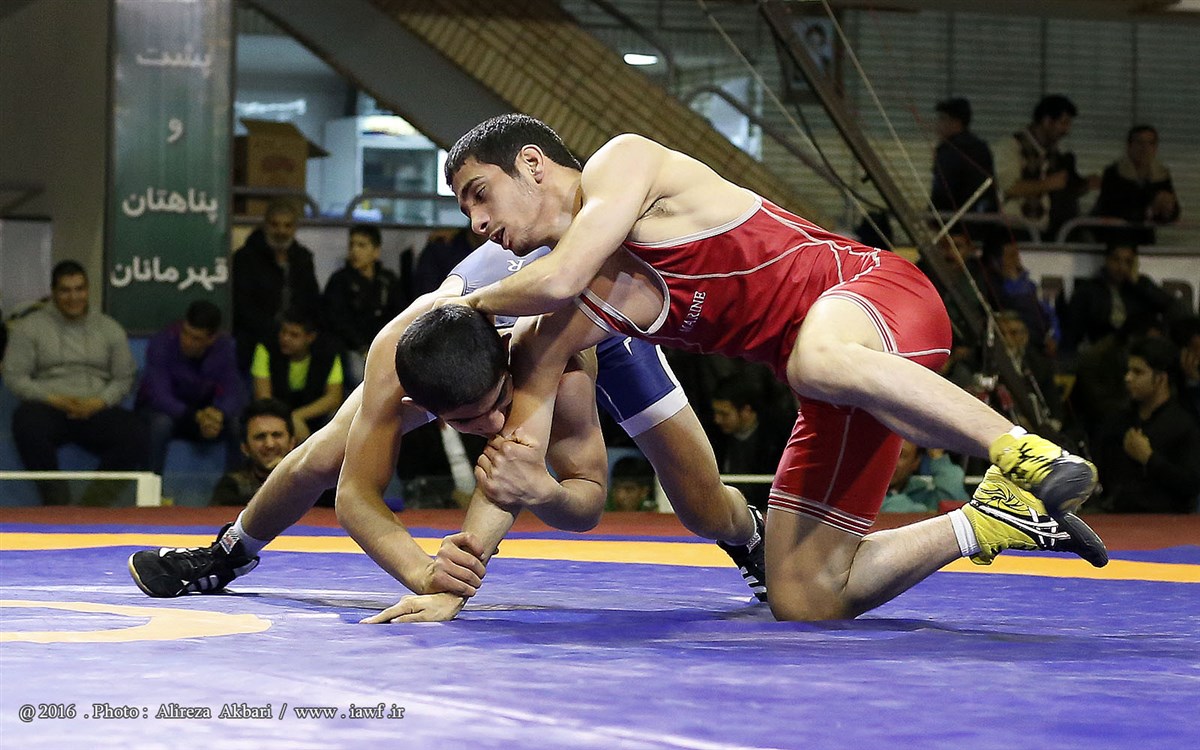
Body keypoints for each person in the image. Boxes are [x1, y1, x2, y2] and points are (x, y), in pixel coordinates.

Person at [421, 113, 1106, 623]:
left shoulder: (623, 162)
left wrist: (463, 304)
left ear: (533, 163)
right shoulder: (561, 323)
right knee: (804, 597)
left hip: (878, 296)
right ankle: (992, 518)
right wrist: (454, 587)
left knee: (814, 359)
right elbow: (516, 459)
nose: (476, 223)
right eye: (464, 209)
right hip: (835, 384)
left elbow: (562, 273)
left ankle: (1025, 452)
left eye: (480, 194)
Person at [129, 240, 767, 610]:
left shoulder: (548, 352)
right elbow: (353, 494)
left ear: (505, 367)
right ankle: (229, 552)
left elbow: (588, 501)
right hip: (465, 340)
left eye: (498, 403)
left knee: (701, 504)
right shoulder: (396, 351)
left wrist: (541, 494)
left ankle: (750, 536)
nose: (493, 424)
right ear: (422, 403)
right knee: (323, 455)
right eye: (467, 420)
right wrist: (422, 573)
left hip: (601, 329)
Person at [1, 261, 148, 505]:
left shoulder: (109, 328)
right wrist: (54, 399)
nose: (73, 297)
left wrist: (99, 402)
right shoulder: (29, 328)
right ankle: (57, 503)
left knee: (136, 432)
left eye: (79, 289)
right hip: (50, 406)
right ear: (53, 292)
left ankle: (93, 507)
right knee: (26, 422)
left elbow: (124, 377)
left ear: (88, 290)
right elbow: (15, 377)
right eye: (65, 290)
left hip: (95, 408)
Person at [136, 300, 247, 474]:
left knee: (236, 424)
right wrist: (197, 416)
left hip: (205, 414)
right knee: (161, 424)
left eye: (196, 338)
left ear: (211, 339)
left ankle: (235, 484)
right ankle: (151, 485)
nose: (187, 341)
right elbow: (160, 396)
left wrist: (218, 414)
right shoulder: (162, 343)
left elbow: (233, 391)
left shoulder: (224, 348)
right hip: (164, 411)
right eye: (185, 333)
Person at [1094, 336, 1200, 513]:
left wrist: (1149, 459)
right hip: (1116, 516)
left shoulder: (1183, 424)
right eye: (1129, 371)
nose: (1128, 378)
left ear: (1160, 378)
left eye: (1138, 372)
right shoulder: (1118, 420)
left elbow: (1191, 484)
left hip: (1166, 518)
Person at [993, 94, 1099, 240]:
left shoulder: (1055, 154)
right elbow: (1008, 187)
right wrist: (1047, 184)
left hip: (1048, 233)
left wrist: (1084, 185)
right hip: (1015, 231)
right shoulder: (1011, 146)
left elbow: (1061, 190)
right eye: (1063, 123)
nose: (1066, 130)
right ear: (1047, 121)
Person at [232, 199, 321, 370]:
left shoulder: (303, 258)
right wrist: (276, 331)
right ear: (265, 225)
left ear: (294, 228)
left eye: (287, 226)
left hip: (297, 331)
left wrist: (300, 330)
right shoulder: (246, 257)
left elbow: (311, 299)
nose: (281, 231)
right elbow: (242, 305)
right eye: (275, 225)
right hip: (257, 332)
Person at [321, 224, 403, 387]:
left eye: (361, 245)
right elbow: (337, 320)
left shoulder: (388, 280)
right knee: (360, 374)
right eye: (352, 245)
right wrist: (362, 347)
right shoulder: (339, 281)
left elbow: (399, 314)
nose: (354, 251)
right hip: (352, 348)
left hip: (383, 345)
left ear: (376, 251)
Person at [1062, 243, 1180, 353]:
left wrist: (1138, 284)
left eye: (1128, 262)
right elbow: (1072, 334)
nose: (1121, 267)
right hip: (1102, 353)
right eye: (1116, 260)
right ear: (1107, 260)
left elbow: (1171, 307)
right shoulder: (1088, 290)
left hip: (1138, 352)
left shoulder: (1141, 286)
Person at [250, 307, 344, 443]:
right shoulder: (266, 348)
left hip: (312, 414)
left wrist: (296, 416)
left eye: (294, 335)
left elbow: (333, 398)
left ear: (310, 337)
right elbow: (264, 398)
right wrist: (288, 420)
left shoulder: (328, 352)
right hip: (275, 412)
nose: (285, 338)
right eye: (283, 332)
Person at [710, 373, 789, 513]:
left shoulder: (779, 440)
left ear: (746, 411)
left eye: (724, 414)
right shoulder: (713, 436)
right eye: (716, 413)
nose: (717, 420)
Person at [1092, 125, 1181, 245]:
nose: (1145, 148)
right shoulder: (1114, 172)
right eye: (1140, 143)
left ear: (1155, 148)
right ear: (1129, 146)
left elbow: (1173, 212)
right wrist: (1149, 211)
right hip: (1115, 237)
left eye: (1150, 143)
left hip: (1144, 238)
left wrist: (1167, 209)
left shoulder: (1161, 174)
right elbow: (1111, 208)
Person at [211, 398, 297, 506]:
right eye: (260, 437)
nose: (269, 444)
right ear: (245, 448)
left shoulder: (312, 482)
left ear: (292, 443)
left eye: (277, 435)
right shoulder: (232, 486)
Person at [930, 97, 997, 215]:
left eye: (942, 119)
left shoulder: (950, 151)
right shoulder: (981, 147)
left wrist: (932, 215)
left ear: (956, 122)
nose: (937, 124)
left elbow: (943, 192)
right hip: (983, 217)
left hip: (954, 218)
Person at [880, 441, 968, 513]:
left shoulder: (922, 492)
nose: (889, 462)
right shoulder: (870, 490)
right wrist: (922, 511)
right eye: (885, 452)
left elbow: (954, 507)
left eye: (901, 455)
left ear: (916, 462)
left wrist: (938, 457)